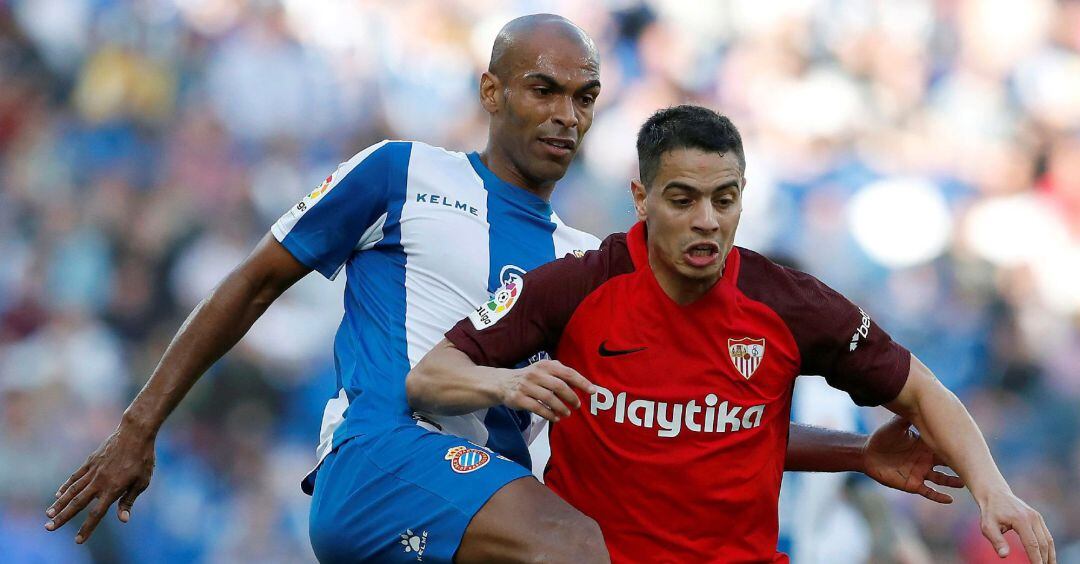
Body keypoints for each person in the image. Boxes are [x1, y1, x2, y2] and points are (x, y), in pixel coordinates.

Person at [46, 16, 959, 563]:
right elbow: (251, 285)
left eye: (585, 95)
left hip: (488, 515)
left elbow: (690, 424)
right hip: (384, 457)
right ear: (491, 89)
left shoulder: (590, 262)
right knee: (580, 548)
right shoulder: (401, 173)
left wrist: (855, 452)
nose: (566, 114)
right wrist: (139, 426)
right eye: (543, 89)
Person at [406, 105, 1056, 563]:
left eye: (724, 199)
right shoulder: (573, 286)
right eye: (683, 199)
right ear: (641, 197)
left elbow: (923, 393)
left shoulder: (790, 303)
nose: (707, 221)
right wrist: (510, 380)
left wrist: (993, 490)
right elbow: (429, 377)